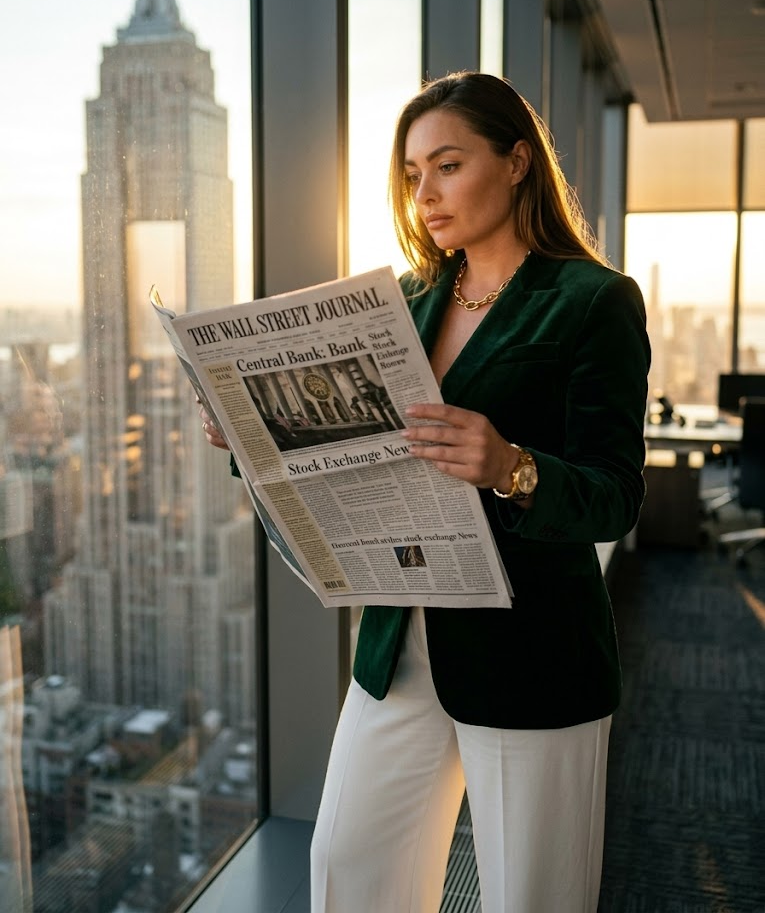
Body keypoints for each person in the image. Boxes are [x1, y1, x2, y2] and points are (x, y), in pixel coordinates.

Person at [199, 71, 650, 912]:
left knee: (529, 895)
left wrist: (513, 466)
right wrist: (254, 436)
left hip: (531, 649)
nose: (425, 193)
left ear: (516, 163)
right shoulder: (405, 302)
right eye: (412, 174)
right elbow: (354, 455)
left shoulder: (591, 302)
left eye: (447, 165)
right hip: (399, 642)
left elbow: (616, 495)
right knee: (347, 865)